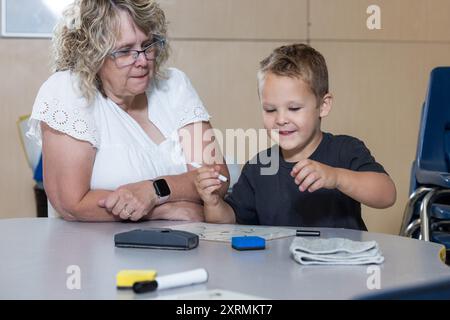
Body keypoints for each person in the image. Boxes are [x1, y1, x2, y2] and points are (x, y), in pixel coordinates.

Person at [27, 0, 229, 222]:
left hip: (184, 249)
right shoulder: (67, 90)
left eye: (147, 45)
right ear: (92, 54)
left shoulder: (174, 85)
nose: (142, 60)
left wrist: (155, 191)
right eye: (125, 51)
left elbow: (216, 177)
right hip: (91, 253)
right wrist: (164, 210)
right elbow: (71, 205)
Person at [194, 44, 396, 230]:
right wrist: (212, 202)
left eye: (294, 108)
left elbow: (387, 195)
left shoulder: (345, 149)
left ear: (323, 106)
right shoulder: (260, 166)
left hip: (341, 265)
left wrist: (336, 177)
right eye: (270, 110)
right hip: (276, 268)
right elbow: (229, 221)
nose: (281, 119)